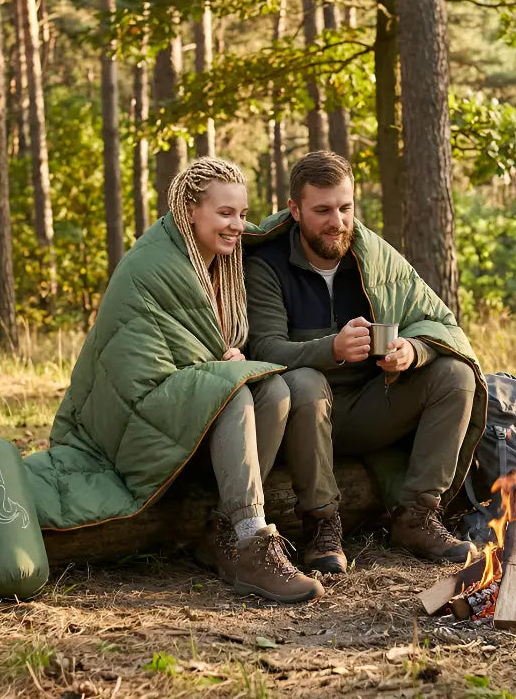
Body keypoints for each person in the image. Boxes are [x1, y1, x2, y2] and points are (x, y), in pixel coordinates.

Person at [24, 158, 323, 604]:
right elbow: (138, 367)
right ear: (189, 209)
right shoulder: (152, 264)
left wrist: (231, 357)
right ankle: (253, 542)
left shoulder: (222, 263)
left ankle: (224, 532)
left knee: (274, 390)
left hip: (183, 405)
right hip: (136, 415)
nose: (237, 225)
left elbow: (207, 340)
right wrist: (218, 366)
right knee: (233, 391)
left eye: (242, 214)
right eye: (225, 213)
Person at [244, 151, 487, 571]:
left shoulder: (374, 256)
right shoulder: (267, 266)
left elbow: (440, 323)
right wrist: (332, 349)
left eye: (345, 207)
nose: (337, 221)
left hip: (371, 407)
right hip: (299, 420)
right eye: (322, 210)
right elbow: (265, 350)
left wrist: (413, 351)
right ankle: (321, 525)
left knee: (455, 374)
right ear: (295, 210)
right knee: (304, 382)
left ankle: (417, 517)